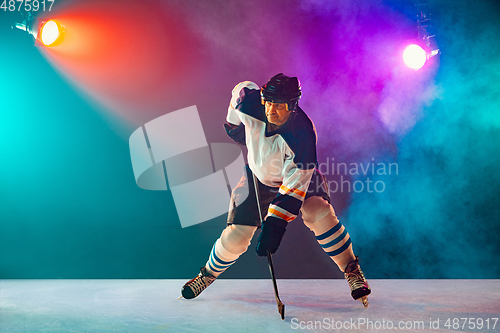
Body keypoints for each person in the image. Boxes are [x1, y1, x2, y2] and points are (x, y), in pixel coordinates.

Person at [180, 73, 371, 306]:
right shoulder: (247, 101)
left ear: (293, 106)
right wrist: (236, 128)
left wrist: (274, 226)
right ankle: (207, 275)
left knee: (319, 214)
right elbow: (239, 97)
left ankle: (351, 269)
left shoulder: (303, 134)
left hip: (297, 180)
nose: (272, 110)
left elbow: (293, 187)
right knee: (235, 238)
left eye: (280, 106)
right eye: (269, 103)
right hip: (257, 178)